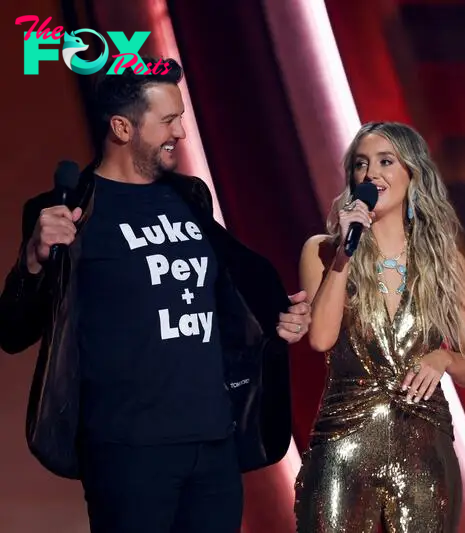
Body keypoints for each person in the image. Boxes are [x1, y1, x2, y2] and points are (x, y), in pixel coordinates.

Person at [0, 56, 311, 533]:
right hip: (127, 454)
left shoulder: (190, 196)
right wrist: (34, 260)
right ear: (123, 128)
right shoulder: (65, 214)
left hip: (213, 446)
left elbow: (222, 297)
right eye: (169, 120)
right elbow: (13, 330)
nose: (182, 132)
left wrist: (276, 318)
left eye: (181, 117)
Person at [293, 121, 465, 532]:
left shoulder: (444, 262)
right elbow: (322, 337)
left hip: (424, 448)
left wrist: (443, 357)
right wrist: (345, 256)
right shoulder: (323, 250)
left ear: (412, 173)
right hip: (344, 445)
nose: (372, 174)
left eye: (386, 161)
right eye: (361, 164)